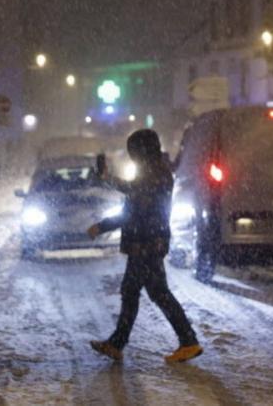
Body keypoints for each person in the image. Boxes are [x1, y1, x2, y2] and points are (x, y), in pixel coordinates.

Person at [87, 129, 202, 363]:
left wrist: (102, 226)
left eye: (133, 151)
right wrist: (107, 178)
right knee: (152, 293)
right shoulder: (155, 172)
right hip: (149, 242)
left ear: (141, 150)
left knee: (139, 293)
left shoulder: (153, 175)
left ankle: (121, 343)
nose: (131, 156)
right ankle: (185, 341)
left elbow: (132, 212)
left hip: (145, 244)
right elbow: (132, 192)